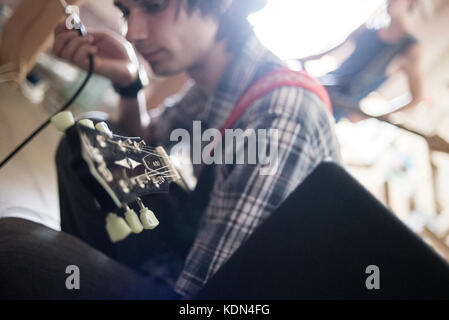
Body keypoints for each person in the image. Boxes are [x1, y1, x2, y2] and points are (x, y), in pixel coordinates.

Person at [0, 0, 340, 299]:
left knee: (16, 251)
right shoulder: (221, 82)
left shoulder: (279, 117)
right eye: (126, 11)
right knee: (91, 140)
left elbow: (216, 297)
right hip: (192, 256)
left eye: (154, 5)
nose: (133, 32)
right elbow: (146, 144)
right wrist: (129, 82)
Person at [300, 0, 423, 122]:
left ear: (409, 2)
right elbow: (330, 50)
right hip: (324, 86)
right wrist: (300, 60)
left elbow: (416, 97)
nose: (389, 2)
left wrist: (384, 114)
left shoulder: (409, 47)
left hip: (340, 106)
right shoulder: (368, 27)